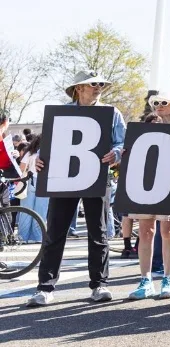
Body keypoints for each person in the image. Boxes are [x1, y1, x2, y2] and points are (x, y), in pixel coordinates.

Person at [27, 71, 127, 307]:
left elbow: (122, 141)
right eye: (93, 84)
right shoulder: (62, 112)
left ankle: (99, 285)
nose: (98, 87)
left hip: (97, 175)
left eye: (101, 84)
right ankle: (45, 287)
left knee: (98, 231)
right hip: (63, 175)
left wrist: (116, 153)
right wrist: (39, 157)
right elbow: (49, 142)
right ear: (79, 88)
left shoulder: (112, 112)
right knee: (55, 231)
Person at [127, 101, 170, 300]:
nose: (158, 105)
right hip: (146, 182)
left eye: (163, 102)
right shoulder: (148, 127)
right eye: (156, 103)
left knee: (168, 231)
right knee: (145, 231)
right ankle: (145, 280)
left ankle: (167, 278)